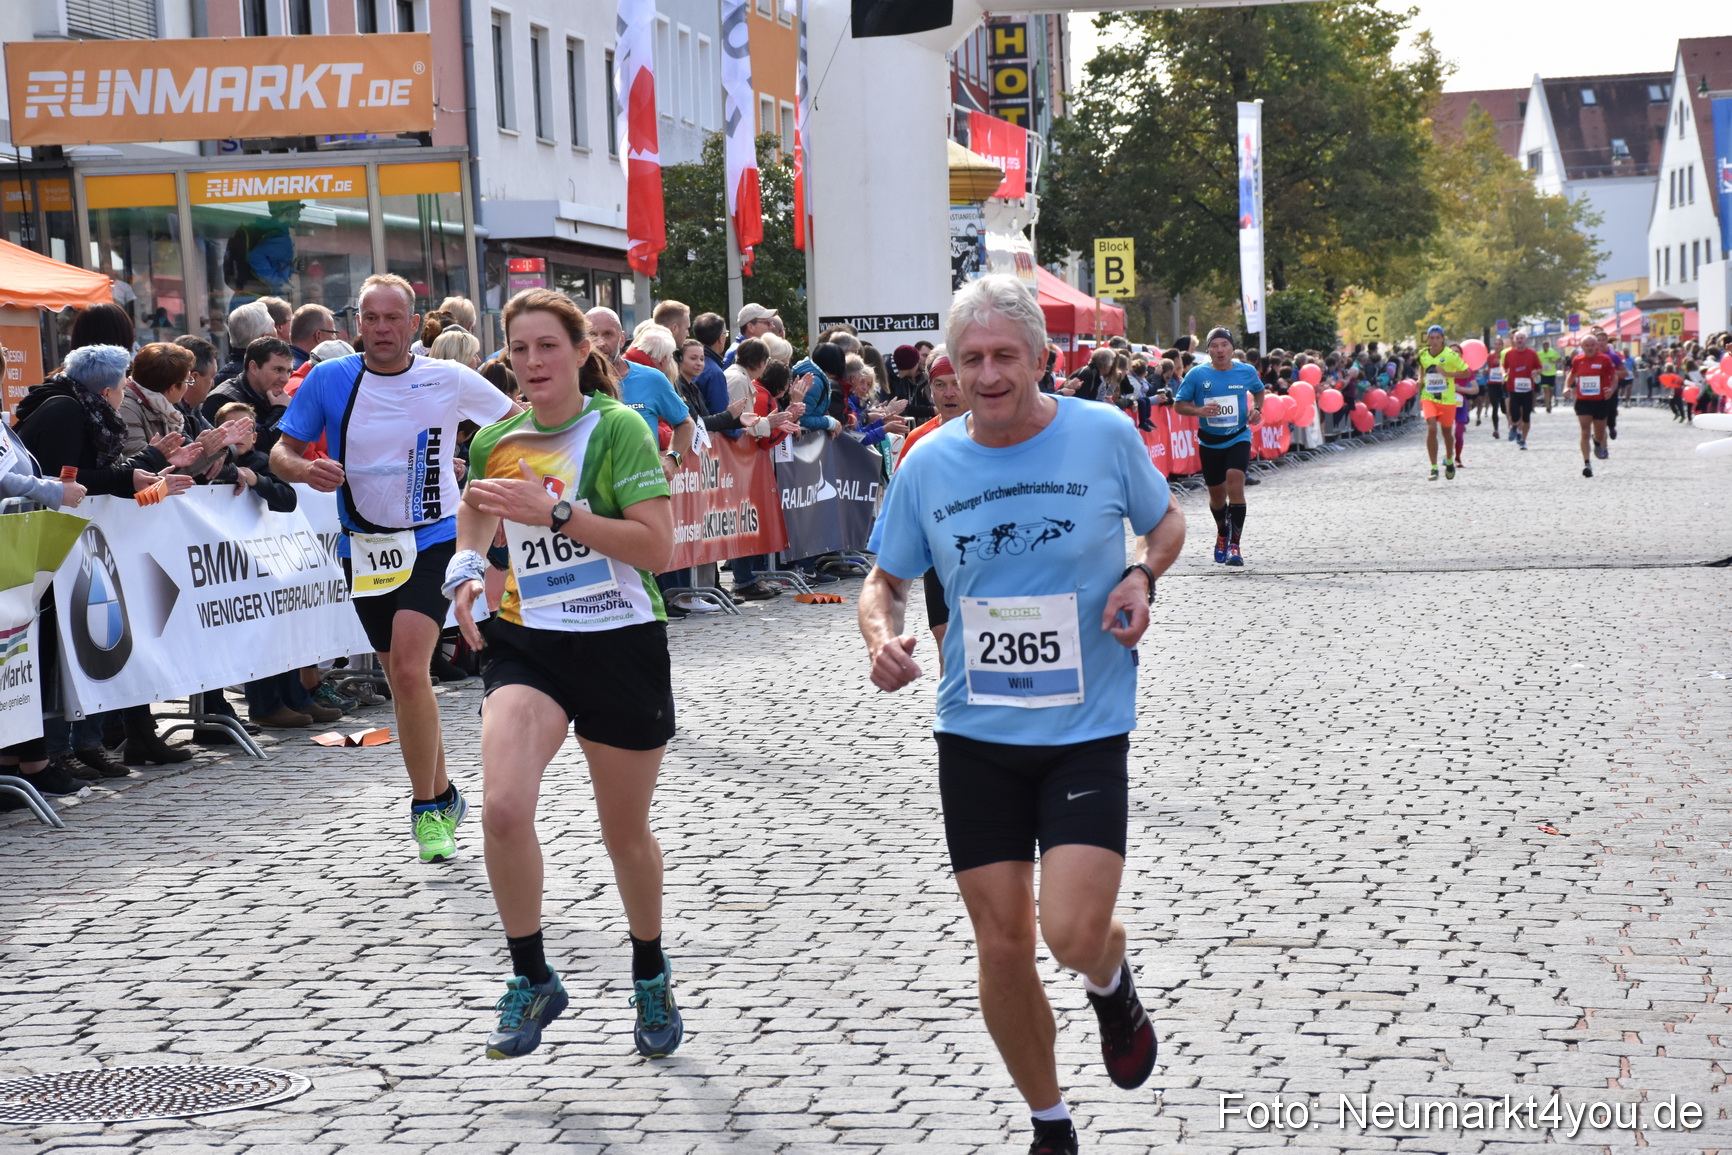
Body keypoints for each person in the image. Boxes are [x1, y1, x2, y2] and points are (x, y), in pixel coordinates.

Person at [858, 276, 1185, 1155]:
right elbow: (883, 580)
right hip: (974, 733)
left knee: (1070, 931)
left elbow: (1166, 524)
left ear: (1044, 358)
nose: (989, 374)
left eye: (1006, 356)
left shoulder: (1104, 436)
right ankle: (1050, 1123)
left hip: (1085, 729)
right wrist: (881, 636)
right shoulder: (927, 461)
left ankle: (1110, 981)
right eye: (972, 359)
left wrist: (1140, 576)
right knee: (1001, 945)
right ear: (950, 369)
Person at [446, 288, 683, 1061]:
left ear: (583, 352)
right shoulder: (497, 438)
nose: (533, 363)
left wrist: (554, 515)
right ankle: (532, 974)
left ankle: (649, 967)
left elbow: (656, 549)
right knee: (504, 809)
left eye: (548, 346)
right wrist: (465, 569)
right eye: (519, 350)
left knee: (624, 833)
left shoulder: (618, 431)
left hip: (620, 640)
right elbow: (480, 508)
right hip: (531, 643)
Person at [270, 273, 519, 863]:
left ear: (413, 323)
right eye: (371, 319)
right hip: (364, 547)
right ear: (358, 323)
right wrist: (304, 471)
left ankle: (427, 811)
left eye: (393, 319)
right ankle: (444, 792)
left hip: (435, 537)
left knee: (410, 668)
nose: (382, 329)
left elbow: (515, 425)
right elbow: (280, 451)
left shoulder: (447, 376)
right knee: (404, 680)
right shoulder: (331, 378)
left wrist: (497, 487)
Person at [893, 353, 964, 660]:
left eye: (956, 384)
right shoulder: (918, 440)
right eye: (940, 385)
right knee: (947, 639)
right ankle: (953, 708)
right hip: (939, 556)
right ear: (930, 390)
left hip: (991, 554)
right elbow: (901, 501)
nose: (949, 393)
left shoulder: (997, 432)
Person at [1173, 327, 1263, 566]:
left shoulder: (1246, 371)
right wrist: (1198, 410)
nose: (1220, 350)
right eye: (1215, 345)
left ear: (1232, 348)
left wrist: (1257, 409)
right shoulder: (1196, 374)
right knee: (1216, 497)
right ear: (1209, 349)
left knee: (1235, 481)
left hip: (1238, 436)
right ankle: (1222, 532)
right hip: (1210, 441)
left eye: (1224, 345)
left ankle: (1235, 546)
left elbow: (1259, 390)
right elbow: (1179, 405)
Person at [1416, 325, 1467, 481]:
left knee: (1446, 433)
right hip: (1428, 396)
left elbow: (1467, 372)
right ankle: (1434, 467)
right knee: (1431, 427)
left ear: (1443, 339)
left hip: (1447, 399)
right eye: (1432, 337)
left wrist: (1446, 374)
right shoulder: (1423, 353)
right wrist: (1420, 379)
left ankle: (1450, 460)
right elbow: (1422, 367)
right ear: (1428, 339)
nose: (1435, 340)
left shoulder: (1451, 355)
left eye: (1438, 337)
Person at [1563, 331, 1618, 479]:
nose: (1589, 348)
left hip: (1600, 401)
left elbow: (1614, 377)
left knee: (1600, 434)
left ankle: (1597, 441)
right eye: (1586, 345)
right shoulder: (1577, 360)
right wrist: (1566, 387)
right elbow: (1572, 374)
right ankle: (1587, 463)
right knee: (1584, 430)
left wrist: (1611, 390)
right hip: (1583, 400)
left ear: (1597, 346)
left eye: (1592, 345)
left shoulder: (1604, 360)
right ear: (1582, 347)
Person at [1501, 331, 1543, 450]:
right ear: (1514, 340)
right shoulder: (1509, 354)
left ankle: (1523, 440)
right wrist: (1504, 374)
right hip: (1513, 388)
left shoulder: (1532, 353)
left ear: (1526, 340)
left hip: (1528, 389)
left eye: (1522, 338)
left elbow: (1539, 368)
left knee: (1526, 416)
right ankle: (1514, 427)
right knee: (1514, 414)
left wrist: (1536, 372)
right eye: (1517, 338)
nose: (1519, 340)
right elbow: (1504, 367)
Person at [289, 304, 340, 368]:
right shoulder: (307, 372)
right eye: (333, 333)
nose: (335, 340)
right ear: (319, 336)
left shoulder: (283, 365)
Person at [1538, 340, 1562, 413]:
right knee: (1546, 391)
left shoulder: (1553, 352)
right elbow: (1535, 361)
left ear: (1548, 346)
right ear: (1542, 346)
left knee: (1551, 391)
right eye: (1544, 345)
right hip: (1543, 374)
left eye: (1546, 345)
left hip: (1552, 373)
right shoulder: (1539, 353)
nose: (1545, 346)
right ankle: (1547, 405)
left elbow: (1560, 360)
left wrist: (1553, 361)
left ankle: (1550, 403)